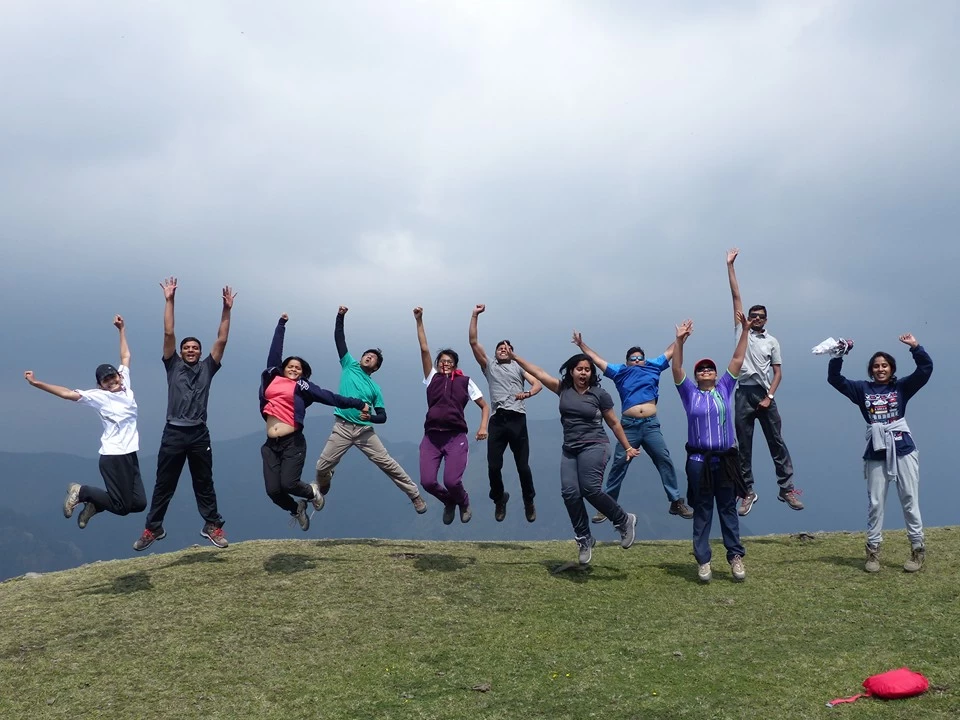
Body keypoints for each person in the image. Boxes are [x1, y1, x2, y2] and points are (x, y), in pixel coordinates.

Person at [508, 346, 639, 566]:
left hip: (594, 445)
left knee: (590, 488)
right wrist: (515, 357)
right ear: (571, 371)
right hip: (570, 449)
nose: (584, 373)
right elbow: (539, 372)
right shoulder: (563, 389)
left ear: (592, 373)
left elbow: (614, 422)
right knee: (569, 493)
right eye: (579, 369)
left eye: (587, 369)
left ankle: (624, 520)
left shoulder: (599, 394)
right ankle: (584, 538)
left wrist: (627, 447)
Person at [134, 278, 236, 552]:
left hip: (199, 431)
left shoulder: (208, 367)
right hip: (174, 433)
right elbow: (169, 333)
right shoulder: (173, 365)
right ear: (180, 352)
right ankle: (153, 528)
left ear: (201, 352)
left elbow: (222, 338)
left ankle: (212, 526)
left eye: (195, 348)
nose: (191, 350)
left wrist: (227, 310)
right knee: (164, 483)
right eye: (187, 348)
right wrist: (170, 300)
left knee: (204, 482)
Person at [25, 315, 146, 529]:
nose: (111, 381)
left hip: (130, 454)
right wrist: (37, 384)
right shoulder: (100, 397)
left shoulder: (125, 383)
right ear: (100, 385)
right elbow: (67, 394)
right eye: (106, 381)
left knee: (138, 504)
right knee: (121, 506)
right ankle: (81, 492)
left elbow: (126, 356)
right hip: (113, 456)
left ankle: (96, 505)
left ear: (119, 376)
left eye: (113, 377)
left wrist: (121, 330)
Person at [827, 334, 932, 573]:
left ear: (891, 368)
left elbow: (925, 369)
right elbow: (834, 379)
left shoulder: (901, 387)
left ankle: (917, 549)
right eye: (876, 366)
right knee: (875, 503)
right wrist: (839, 354)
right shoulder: (862, 389)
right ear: (871, 370)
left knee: (909, 499)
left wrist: (916, 347)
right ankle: (873, 552)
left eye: (884, 365)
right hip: (876, 450)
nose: (880, 369)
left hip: (903, 447)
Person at [313, 306, 427, 514]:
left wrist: (371, 417)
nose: (368, 357)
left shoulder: (375, 388)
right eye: (367, 354)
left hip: (365, 431)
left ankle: (415, 495)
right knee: (321, 467)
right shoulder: (349, 365)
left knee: (387, 463)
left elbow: (383, 416)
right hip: (342, 427)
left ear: (376, 367)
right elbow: (339, 339)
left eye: (373, 358)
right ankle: (326, 480)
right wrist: (340, 316)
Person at [259, 313, 368, 531]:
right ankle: (296, 509)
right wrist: (281, 325)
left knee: (288, 483)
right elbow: (274, 353)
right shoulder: (273, 376)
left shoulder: (304, 387)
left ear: (303, 373)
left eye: (298, 368)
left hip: (293, 442)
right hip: (270, 445)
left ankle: (312, 492)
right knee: (273, 491)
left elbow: (331, 397)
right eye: (290, 365)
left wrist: (357, 403)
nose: (293, 368)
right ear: (283, 367)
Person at [572, 331, 692, 523]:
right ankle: (606, 505)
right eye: (632, 358)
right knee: (619, 464)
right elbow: (597, 360)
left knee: (664, 459)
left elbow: (671, 351)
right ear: (627, 361)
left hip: (651, 424)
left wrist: (681, 337)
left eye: (639, 358)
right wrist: (581, 345)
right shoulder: (620, 371)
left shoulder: (653, 366)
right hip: (629, 426)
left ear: (644, 360)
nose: (636, 361)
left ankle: (676, 501)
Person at [672, 313, 751, 583]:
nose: (706, 371)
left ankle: (735, 557)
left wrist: (745, 332)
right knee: (703, 509)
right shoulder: (689, 393)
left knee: (727, 507)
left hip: (726, 459)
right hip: (698, 460)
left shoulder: (725, 388)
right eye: (701, 369)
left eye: (710, 368)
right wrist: (679, 341)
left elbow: (738, 360)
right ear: (696, 376)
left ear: (716, 374)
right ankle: (703, 560)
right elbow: (677, 370)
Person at [727, 248, 803, 516]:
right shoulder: (741, 331)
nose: (756, 318)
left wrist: (769, 396)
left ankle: (787, 488)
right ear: (747, 317)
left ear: (766, 319)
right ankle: (747, 492)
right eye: (752, 315)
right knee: (743, 446)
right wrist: (731, 267)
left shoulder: (772, 341)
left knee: (777, 443)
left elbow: (778, 372)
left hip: (764, 393)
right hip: (742, 393)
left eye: (760, 316)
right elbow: (736, 296)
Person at [414, 307, 490, 525]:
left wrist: (483, 427)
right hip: (431, 438)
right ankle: (449, 502)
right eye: (441, 361)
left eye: (449, 361)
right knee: (427, 482)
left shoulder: (465, 382)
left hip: (455, 437)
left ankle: (463, 501)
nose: (444, 364)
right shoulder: (432, 378)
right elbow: (424, 348)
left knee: (452, 481)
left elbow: (485, 406)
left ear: (455, 365)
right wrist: (419, 320)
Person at [468, 304, 542, 523]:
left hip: (518, 419)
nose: (503, 348)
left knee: (523, 467)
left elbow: (537, 383)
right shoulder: (489, 366)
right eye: (500, 346)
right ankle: (499, 498)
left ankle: (529, 501)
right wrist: (474, 315)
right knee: (493, 466)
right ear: (495, 352)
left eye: (507, 347)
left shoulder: (518, 367)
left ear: (512, 352)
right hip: (498, 420)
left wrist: (527, 394)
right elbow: (473, 342)